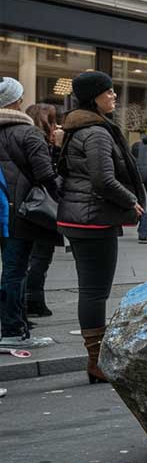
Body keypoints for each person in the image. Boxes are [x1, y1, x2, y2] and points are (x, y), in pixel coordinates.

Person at [57, 71, 145, 383]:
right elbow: (103, 179)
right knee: (95, 291)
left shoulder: (76, 126)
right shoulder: (96, 132)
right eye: (108, 92)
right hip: (93, 219)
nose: (114, 96)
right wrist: (130, 200)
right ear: (94, 96)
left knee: (90, 290)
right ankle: (96, 361)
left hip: (78, 216)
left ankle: (96, 359)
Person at [0, 78, 58, 349]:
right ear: (17, 100)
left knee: (10, 271)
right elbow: (46, 174)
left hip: (4, 209)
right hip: (19, 214)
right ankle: (13, 330)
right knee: (15, 272)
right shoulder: (28, 133)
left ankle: (14, 327)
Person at [23, 103, 64, 318]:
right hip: (42, 204)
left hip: (26, 204)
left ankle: (31, 299)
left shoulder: (23, 137)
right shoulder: (38, 141)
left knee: (30, 256)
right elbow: (49, 174)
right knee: (40, 255)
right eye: (53, 119)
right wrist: (58, 148)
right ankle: (34, 300)